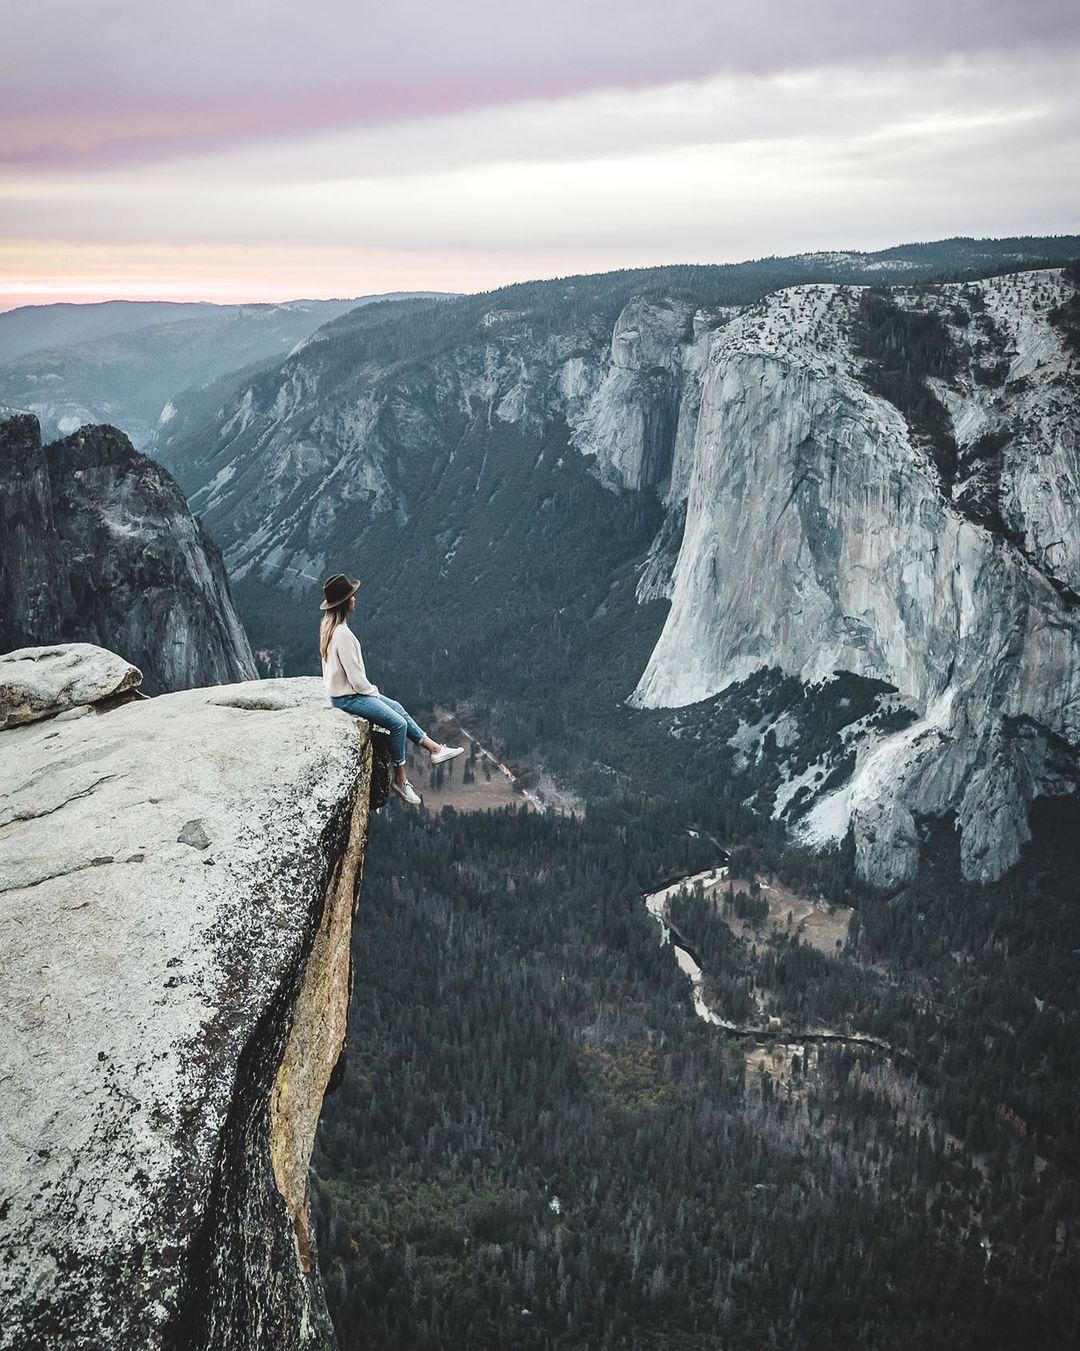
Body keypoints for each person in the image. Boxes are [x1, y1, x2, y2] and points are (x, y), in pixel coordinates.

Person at [319, 571, 463, 805]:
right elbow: (357, 680)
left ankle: (435, 749)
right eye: (353, 597)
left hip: (342, 695)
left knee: (396, 706)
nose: (356, 599)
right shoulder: (343, 634)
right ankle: (400, 779)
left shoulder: (330, 628)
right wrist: (374, 694)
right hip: (349, 697)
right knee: (398, 723)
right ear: (345, 603)